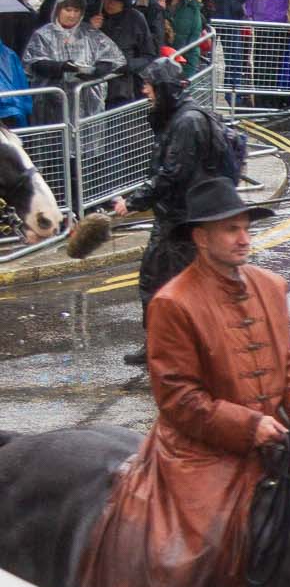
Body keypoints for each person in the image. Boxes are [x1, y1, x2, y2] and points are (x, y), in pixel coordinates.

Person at [74, 178, 290, 587]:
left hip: (276, 431)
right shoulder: (172, 303)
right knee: (201, 541)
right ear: (201, 237)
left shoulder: (271, 285)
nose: (242, 236)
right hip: (200, 448)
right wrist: (249, 426)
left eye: (245, 226)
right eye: (230, 229)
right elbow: (179, 399)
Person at [107, 56, 241, 363]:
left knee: (164, 283)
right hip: (178, 216)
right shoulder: (181, 117)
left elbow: (172, 173)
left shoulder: (187, 122)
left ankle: (177, 347)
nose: (144, 91)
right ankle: (162, 342)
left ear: (164, 88)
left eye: (149, 85)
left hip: (183, 219)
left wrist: (132, 202)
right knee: (161, 282)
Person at [22, 0, 124, 123]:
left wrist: (96, 71)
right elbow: (35, 63)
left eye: (76, 11)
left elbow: (113, 59)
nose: (72, 15)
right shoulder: (43, 34)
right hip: (52, 103)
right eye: (68, 10)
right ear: (58, 9)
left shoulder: (91, 33)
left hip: (87, 103)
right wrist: (61, 67)